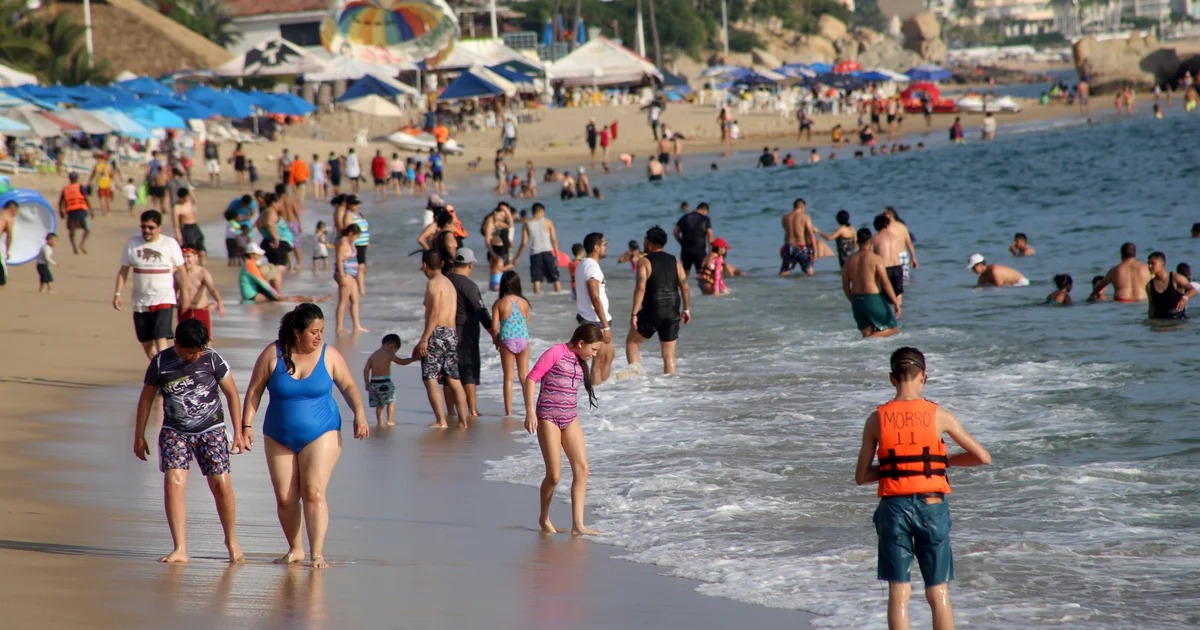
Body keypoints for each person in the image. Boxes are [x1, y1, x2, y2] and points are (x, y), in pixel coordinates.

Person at [854, 347, 992, 630]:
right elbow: (982, 457)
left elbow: (862, 476)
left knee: (899, 591)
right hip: (932, 506)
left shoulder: (876, 419)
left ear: (892, 378)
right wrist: (941, 462)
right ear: (924, 377)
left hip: (894, 508)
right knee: (938, 590)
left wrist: (899, 468)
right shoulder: (938, 414)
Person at [241, 303, 368, 569]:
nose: (319, 336)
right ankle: (295, 549)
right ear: (297, 332)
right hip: (278, 434)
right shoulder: (272, 354)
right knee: (286, 498)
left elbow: (348, 385)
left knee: (313, 491)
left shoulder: (329, 355)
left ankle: (317, 553)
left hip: (321, 432)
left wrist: (359, 413)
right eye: (313, 331)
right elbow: (254, 391)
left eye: (322, 330)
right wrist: (246, 426)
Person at [134, 319, 244, 564]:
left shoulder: (213, 359)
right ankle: (180, 548)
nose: (195, 356)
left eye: (199, 351)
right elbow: (146, 399)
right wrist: (139, 435)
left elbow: (232, 394)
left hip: (212, 430)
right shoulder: (161, 363)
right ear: (177, 344)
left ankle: (232, 541)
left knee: (221, 485)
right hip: (175, 431)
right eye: (190, 352)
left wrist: (239, 432)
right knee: (173, 483)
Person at [521, 323, 605, 536]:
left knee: (582, 468)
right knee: (555, 475)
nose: (594, 355)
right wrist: (530, 411)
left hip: (570, 418)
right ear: (580, 343)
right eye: (593, 350)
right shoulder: (556, 352)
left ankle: (578, 525)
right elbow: (531, 378)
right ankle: (544, 518)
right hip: (548, 417)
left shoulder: (579, 359)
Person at [114, 210, 190, 360]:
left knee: (160, 337)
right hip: (140, 301)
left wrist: (185, 294)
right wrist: (117, 294)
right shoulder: (132, 244)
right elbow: (123, 271)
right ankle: (159, 369)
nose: (146, 231)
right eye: (143, 227)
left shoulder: (169, 244)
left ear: (159, 228)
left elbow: (181, 270)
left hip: (164, 297)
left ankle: (167, 374)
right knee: (146, 342)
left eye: (151, 227)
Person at [626, 226, 692, 375]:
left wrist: (634, 314)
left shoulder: (644, 261)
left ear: (649, 243)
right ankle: (669, 388)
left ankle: (636, 382)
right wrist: (686, 309)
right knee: (669, 355)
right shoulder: (675, 260)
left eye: (645, 240)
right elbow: (685, 287)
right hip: (673, 308)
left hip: (653, 308)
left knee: (632, 343)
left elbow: (640, 288)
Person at [417, 250, 470, 429]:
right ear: (441, 264)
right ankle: (463, 421)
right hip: (451, 333)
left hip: (437, 333)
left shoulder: (433, 284)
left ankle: (441, 421)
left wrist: (425, 338)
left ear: (425, 265)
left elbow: (434, 312)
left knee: (430, 377)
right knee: (453, 378)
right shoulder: (448, 283)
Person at [447, 248, 494, 418]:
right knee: (469, 372)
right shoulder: (469, 286)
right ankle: (472, 410)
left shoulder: (445, 280)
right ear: (470, 264)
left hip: (445, 332)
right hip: (466, 334)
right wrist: (494, 334)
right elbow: (481, 311)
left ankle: (451, 411)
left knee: (450, 373)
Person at [842, 228, 902, 338]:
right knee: (892, 328)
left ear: (857, 241)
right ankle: (867, 341)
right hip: (872, 298)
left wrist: (853, 301)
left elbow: (845, 286)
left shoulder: (848, 260)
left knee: (866, 332)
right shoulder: (875, 259)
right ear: (871, 241)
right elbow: (885, 283)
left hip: (856, 299)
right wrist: (895, 302)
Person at [575, 232, 615, 384]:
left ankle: (602, 392)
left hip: (592, 318)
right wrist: (605, 327)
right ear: (596, 248)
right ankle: (598, 395)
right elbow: (595, 297)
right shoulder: (592, 267)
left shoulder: (585, 264)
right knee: (600, 360)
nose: (606, 247)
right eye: (604, 245)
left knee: (608, 356)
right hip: (595, 320)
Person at [491, 270, 532, 417]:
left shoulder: (500, 303)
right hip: (523, 339)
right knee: (524, 376)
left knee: (508, 377)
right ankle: (529, 409)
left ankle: (508, 412)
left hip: (507, 339)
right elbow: (526, 323)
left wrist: (496, 340)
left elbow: (495, 327)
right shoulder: (525, 303)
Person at [363, 333, 417, 426]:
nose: (394, 352)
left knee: (380, 404)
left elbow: (366, 369)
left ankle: (380, 422)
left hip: (374, 383)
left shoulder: (373, 355)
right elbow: (401, 362)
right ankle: (390, 420)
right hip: (385, 383)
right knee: (391, 401)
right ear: (392, 345)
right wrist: (413, 359)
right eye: (395, 350)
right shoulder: (388, 354)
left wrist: (367, 382)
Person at [514, 202, 562, 295]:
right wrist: (557, 255)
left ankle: (537, 302)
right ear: (541, 211)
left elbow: (523, 243)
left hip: (535, 254)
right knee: (555, 278)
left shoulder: (527, 224)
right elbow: (554, 240)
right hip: (548, 252)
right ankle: (559, 297)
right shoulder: (548, 222)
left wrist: (517, 257)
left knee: (536, 279)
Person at [180, 247, 226, 337]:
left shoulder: (202, 272)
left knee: (205, 340)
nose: (185, 260)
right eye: (183, 257)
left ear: (196, 257)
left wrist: (220, 303)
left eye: (188, 257)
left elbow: (212, 288)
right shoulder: (178, 273)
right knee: (184, 340)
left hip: (201, 310)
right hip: (184, 311)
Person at [333, 223, 367, 335]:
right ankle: (339, 327)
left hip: (352, 274)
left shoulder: (349, 242)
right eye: (356, 236)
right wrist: (342, 275)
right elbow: (339, 259)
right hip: (346, 274)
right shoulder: (343, 242)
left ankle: (357, 326)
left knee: (355, 300)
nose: (356, 239)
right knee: (343, 301)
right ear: (351, 233)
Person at [1146, 252, 1196, 320]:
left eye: (1153, 263)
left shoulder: (1175, 278)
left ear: (1163, 264)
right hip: (1160, 323)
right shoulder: (1149, 285)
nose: (1149, 266)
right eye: (1148, 263)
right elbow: (1151, 308)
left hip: (1178, 321)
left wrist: (1185, 298)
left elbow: (1193, 290)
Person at [780, 198, 818, 277]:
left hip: (789, 246)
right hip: (801, 247)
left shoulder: (785, 217)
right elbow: (811, 235)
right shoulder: (805, 217)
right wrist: (815, 252)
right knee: (809, 271)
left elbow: (786, 230)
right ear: (802, 207)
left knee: (784, 273)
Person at [674, 202, 713, 277]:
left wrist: (681, 242)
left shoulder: (684, 217)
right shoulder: (705, 219)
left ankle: (682, 288)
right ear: (705, 210)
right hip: (700, 250)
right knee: (702, 275)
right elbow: (710, 236)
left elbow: (675, 232)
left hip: (686, 250)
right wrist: (711, 252)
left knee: (684, 274)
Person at [59, 172, 92, 255]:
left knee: (72, 231)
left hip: (71, 211)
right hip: (81, 210)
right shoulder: (81, 187)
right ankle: (82, 243)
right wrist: (91, 210)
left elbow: (61, 202)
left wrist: (61, 212)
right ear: (77, 178)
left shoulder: (65, 189)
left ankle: (74, 247)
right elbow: (86, 198)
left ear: (70, 179)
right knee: (87, 229)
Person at [171, 187, 206, 265]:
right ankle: (190, 267)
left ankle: (201, 268)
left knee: (202, 251)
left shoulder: (189, 202)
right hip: (186, 229)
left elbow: (194, 199)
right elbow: (176, 224)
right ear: (180, 197)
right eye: (184, 197)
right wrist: (178, 235)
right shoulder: (177, 207)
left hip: (195, 227)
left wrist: (189, 190)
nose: (186, 199)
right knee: (189, 251)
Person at [345, 197, 371, 296]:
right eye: (355, 204)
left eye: (358, 204)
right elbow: (349, 231)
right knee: (360, 267)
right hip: (356, 244)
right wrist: (351, 244)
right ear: (350, 205)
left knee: (362, 267)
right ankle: (361, 289)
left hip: (363, 244)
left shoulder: (359, 215)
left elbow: (364, 228)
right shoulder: (349, 215)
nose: (357, 206)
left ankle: (359, 287)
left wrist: (367, 241)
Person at [0, 199, 15, 288]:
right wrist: (8, 250)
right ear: (13, 209)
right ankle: (1, 282)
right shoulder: (8, 217)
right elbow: (9, 236)